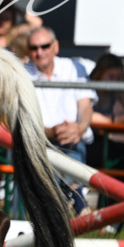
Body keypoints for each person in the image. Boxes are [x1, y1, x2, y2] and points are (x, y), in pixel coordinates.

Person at [24, 27, 96, 212]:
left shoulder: (74, 68)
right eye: (34, 48)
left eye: (45, 46)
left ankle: (68, 199)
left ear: (55, 47)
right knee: (57, 155)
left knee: (69, 148)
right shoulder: (22, 73)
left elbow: (85, 106)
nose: (39, 52)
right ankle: (76, 199)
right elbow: (18, 118)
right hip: (39, 141)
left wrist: (78, 128)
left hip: (70, 140)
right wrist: (48, 132)